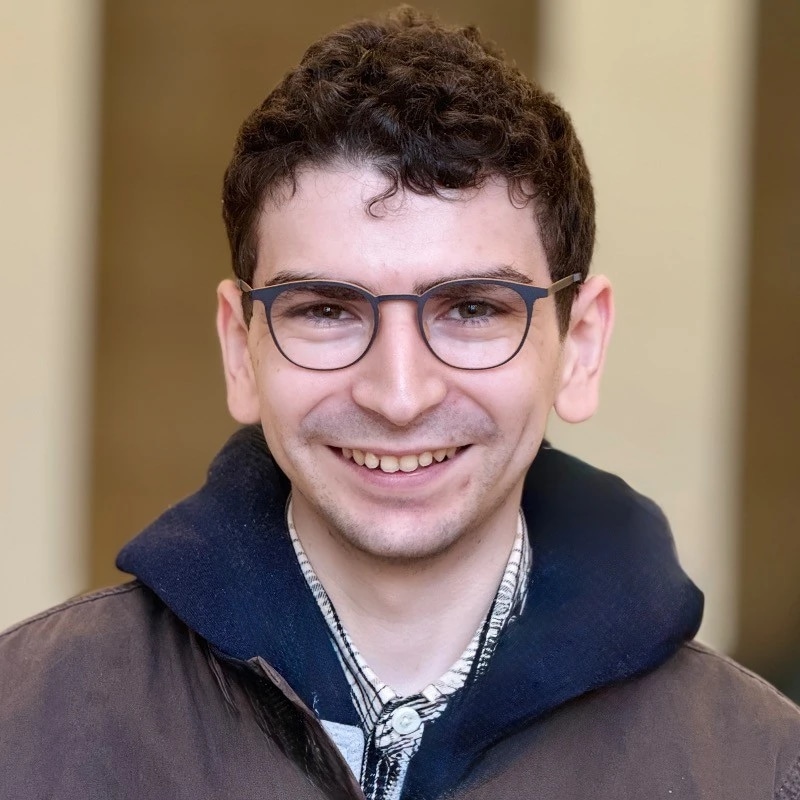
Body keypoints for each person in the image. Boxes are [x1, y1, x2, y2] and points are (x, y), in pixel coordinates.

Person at [1, 7, 799, 800]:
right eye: (325, 310)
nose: (399, 394)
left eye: (473, 310)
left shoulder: (758, 769)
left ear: (581, 345)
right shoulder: (27, 724)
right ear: (239, 348)